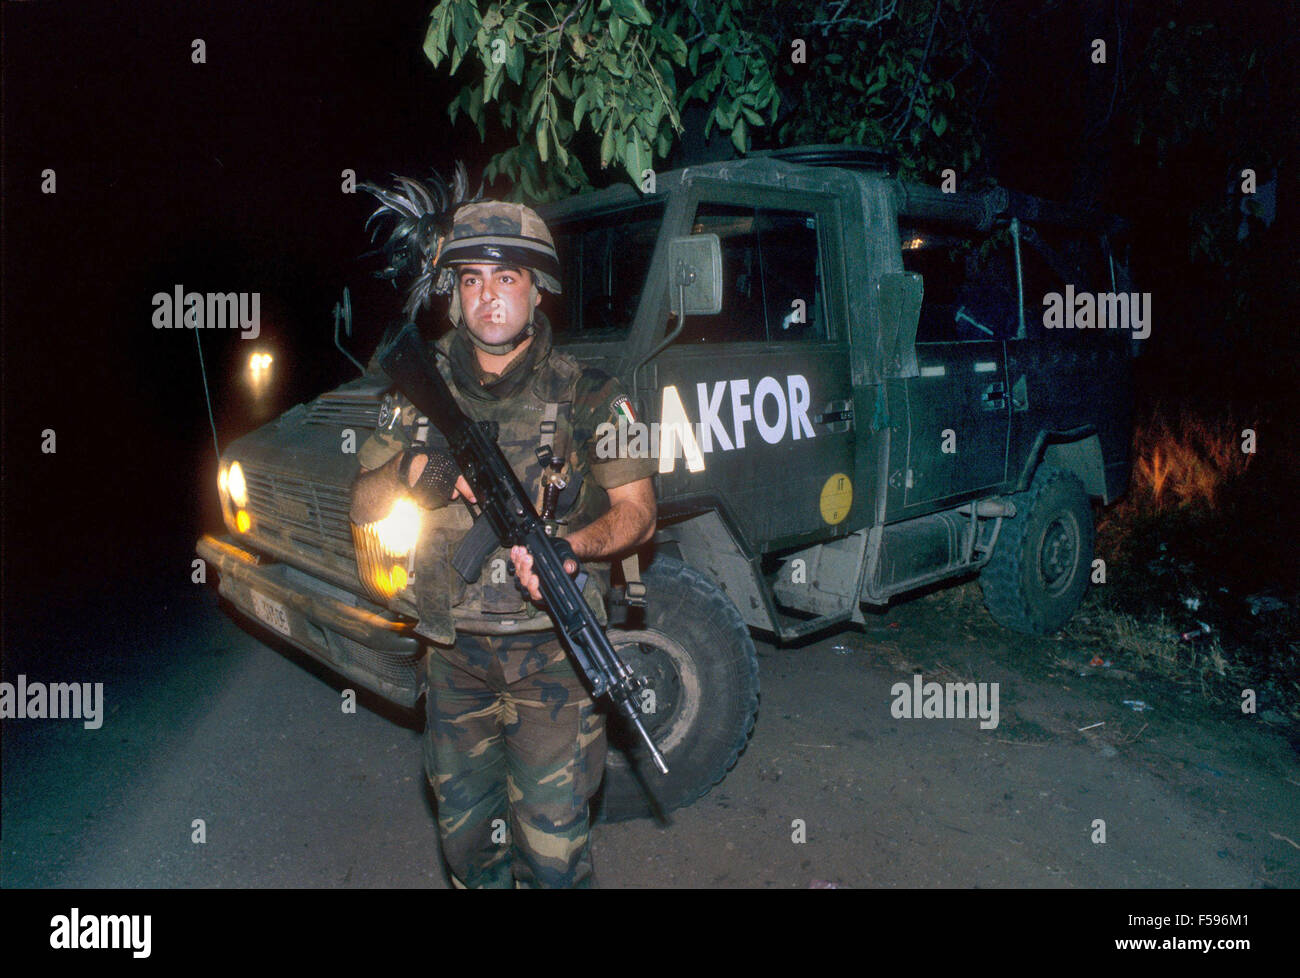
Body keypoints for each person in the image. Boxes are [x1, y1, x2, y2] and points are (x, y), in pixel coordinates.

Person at [351, 196, 656, 888]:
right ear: (455, 297)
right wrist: (411, 472)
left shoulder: (593, 392)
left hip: (551, 660)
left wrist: (575, 547)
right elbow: (361, 503)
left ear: (538, 289)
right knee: (465, 849)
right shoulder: (415, 391)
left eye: (507, 277)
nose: (488, 296)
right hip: (452, 656)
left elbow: (640, 511)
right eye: (471, 280)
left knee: (552, 856)